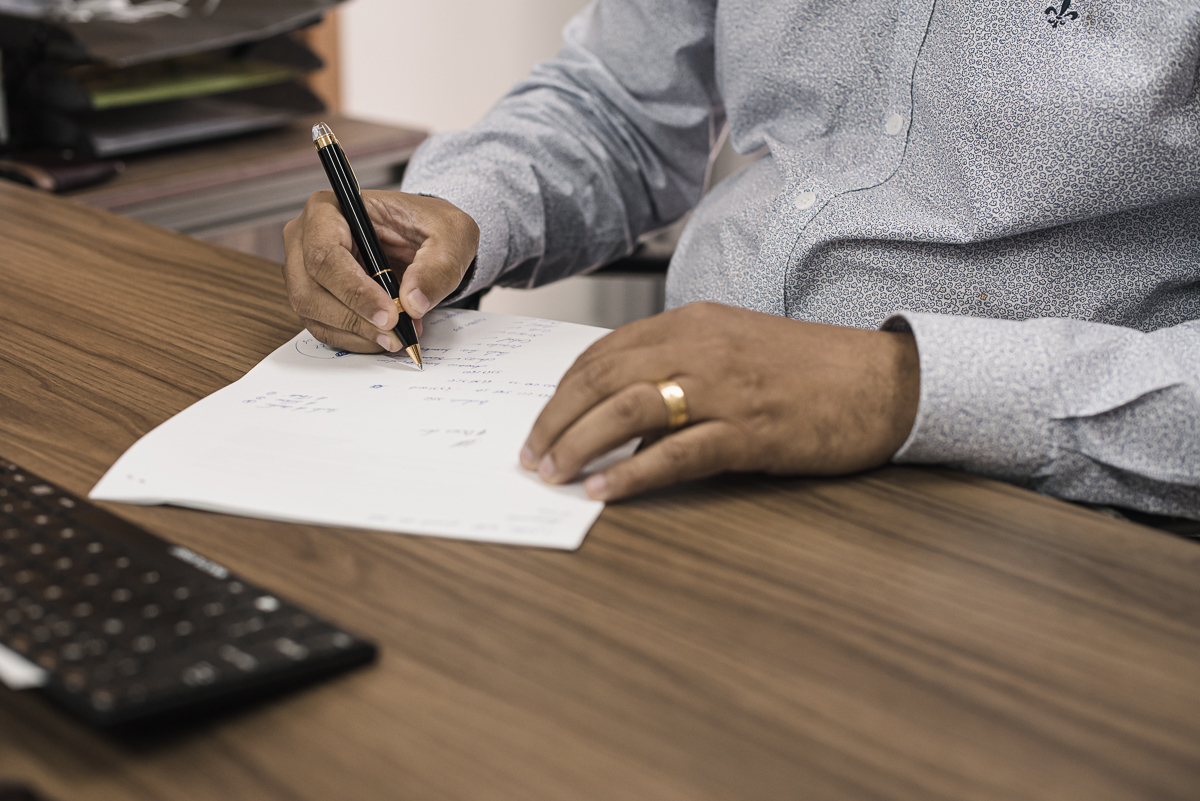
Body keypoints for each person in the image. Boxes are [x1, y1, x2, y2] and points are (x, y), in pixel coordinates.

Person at [282, 0, 1200, 518]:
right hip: (678, 467)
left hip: (1043, 513)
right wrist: (463, 205)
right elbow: (621, 106)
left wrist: (899, 388)